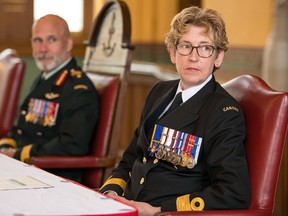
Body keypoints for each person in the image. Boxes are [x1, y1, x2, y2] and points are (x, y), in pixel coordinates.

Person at [99, 6, 251, 215]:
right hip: (126, 206)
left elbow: (234, 191)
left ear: (218, 57)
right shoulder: (159, 92)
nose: (194, 57)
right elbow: (133, 156)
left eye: (205, 48)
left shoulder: (224, 113)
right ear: (172, 52)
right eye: (185, 46)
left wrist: (160, 210)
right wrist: (112, 191)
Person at [0, 14, 99, 183]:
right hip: (27, 171)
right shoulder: (46, 78)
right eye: (37, 40)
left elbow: (72, 145)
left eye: (51, 40)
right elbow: (22, 127)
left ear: (68, 44)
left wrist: (17, 154)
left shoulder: (78, 89)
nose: (42, 49)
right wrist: (5, 146)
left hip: (53, 178)